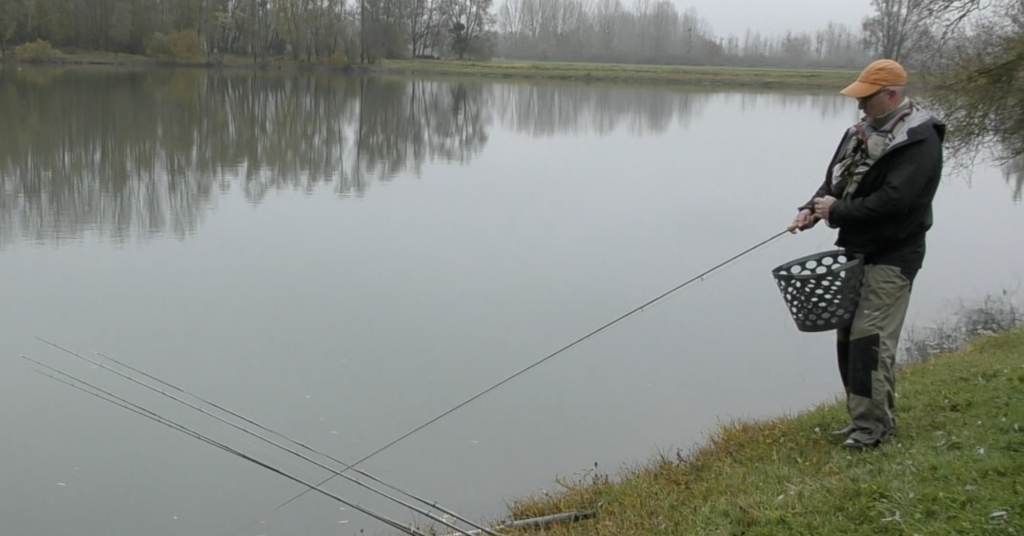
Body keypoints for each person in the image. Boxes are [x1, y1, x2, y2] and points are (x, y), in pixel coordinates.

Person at [787, 59, 946, 450]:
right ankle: (866, 421)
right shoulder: (858, 133)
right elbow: (834, 182)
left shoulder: (920, 140)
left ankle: (871, 432)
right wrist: (811, 208)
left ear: (892, 95)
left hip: (895, 254)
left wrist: (836, 212)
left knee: (869, 340)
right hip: (856, 251)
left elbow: (897, 201)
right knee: (847, 336)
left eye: (866, 98)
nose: (859, 106)